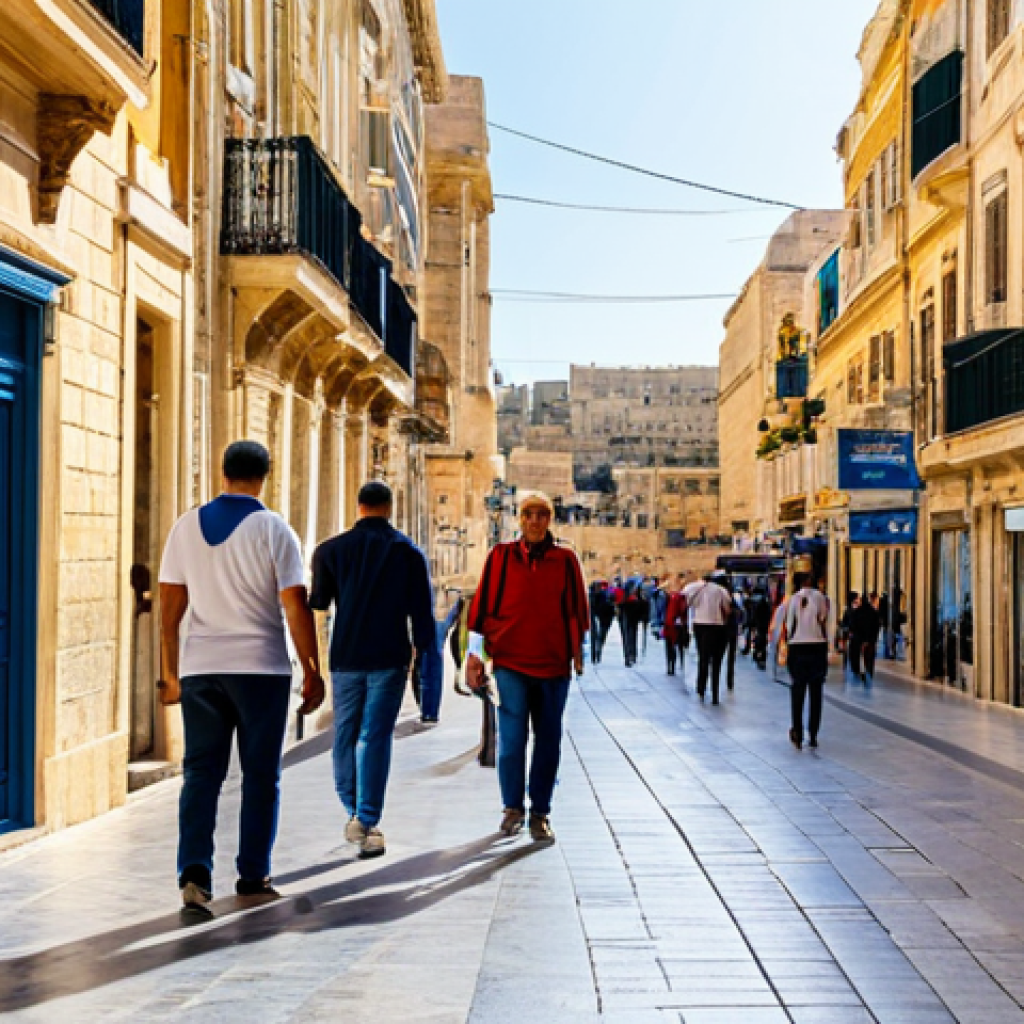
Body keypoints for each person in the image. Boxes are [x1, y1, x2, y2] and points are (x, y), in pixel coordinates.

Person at [158, 440, 326, 917]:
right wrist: (312, 670)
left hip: (202, 671)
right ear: (265, 476)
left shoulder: (185, 527)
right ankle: (253, 874)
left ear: (222, 471)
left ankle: (193, 871)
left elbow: (169, 613)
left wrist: (170, 674)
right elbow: (295, 604)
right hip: (261, 669)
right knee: (260, 776)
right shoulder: (275, 529)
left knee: (201, 774)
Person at [310, 481, 437, 859]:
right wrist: (423, 658)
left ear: (359, 506)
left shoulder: (330, 551)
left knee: (345, 733)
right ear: (389, 508)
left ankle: (355, 811)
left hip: (345, 655)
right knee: (376, 736)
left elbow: (318, 603)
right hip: (389, 655)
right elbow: (422, 615)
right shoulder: (407, 553)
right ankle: (366, 818)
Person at [465, 492, 589, 842]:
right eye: (528, 514)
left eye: (542, 514)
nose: (534, 520)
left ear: (550, 519)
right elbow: (481, 610)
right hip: (510, 663)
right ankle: (512, 808)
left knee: (549, 741)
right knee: (512, 740)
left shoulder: (565, 560)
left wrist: (577, 652)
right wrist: (475, 656)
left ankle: (541, 812)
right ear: (518, 519)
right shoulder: (501, 557)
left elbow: (576, 609)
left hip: (553, 665)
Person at [786, 572, 830, 749]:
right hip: (817, 646)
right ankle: (813, 733)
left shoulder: (793, 600)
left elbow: (789, 625)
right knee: (816, 692)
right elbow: (824, 618)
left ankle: (797, 731)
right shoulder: (820, 597)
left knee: (797, 692)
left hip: (798, 646)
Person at [682, 571, 734, 704]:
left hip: (700, 624)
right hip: (717, 626)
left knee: (703, 658)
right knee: (716, 661)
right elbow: (727, 609)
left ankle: (701, 688)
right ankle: (715, 692)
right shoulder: (721, 590)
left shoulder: (696, 588)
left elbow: (688, 601)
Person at [850, 591, 882, 683]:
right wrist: (873, 638)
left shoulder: (856, 612)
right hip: (870, 638)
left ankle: (858, 671)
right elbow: (877, 626)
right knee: (869, 657)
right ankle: (869, 671)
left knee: (857, 655)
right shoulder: (873, 612)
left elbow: (852, 625)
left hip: (858, 638)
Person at [663, 576, 689, 676]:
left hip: (671, 625)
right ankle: (679, 664)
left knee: (670, 647)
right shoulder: (682, 597)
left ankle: (671, 666)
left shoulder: (674, 597)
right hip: (679, 625)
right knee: (679, 647)